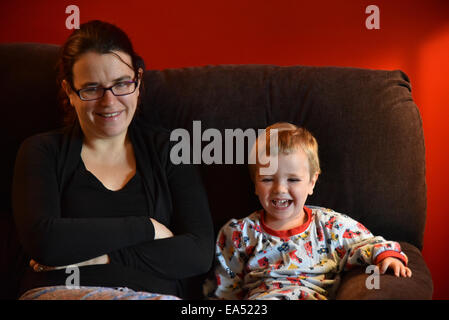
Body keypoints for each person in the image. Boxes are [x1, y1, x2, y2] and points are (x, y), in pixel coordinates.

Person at [12, 20, 214, 300]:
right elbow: (45, 241)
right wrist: (148, 227)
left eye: (121, 84)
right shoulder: (41, 151)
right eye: (92, 88)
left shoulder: (170, 150)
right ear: (70, 92)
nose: (109, 102)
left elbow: (199, 253)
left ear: (139, 82)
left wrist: (101, 257)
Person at [205, 122, 412, 300]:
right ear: (255, 184)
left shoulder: (331, 226)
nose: (280, 189)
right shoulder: (239, 233)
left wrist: (386, 256)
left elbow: (367, 243)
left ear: (312, 182)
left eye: (293, 180)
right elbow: (225, 288)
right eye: (268, 179)